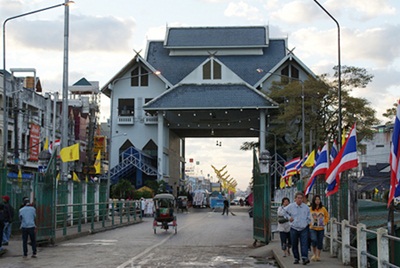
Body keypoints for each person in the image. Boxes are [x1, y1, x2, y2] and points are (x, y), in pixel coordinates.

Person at [284, 192, 311, 265]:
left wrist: (307, 222)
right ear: (295, 199)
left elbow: (309, 216)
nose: (299, 199)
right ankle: (296, 258)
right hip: (294, 227)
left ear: (303, 199)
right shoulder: (291, 206)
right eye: (298, 198)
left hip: (303, 228)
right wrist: (289, 218)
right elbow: (283, 211)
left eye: (301, 198)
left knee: (304, 243)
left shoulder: (306, 207)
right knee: (294, 243)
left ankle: (304, 257)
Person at [309, 195, 329, 262]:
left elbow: (327, 216)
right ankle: (314, 254)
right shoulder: (310, 209)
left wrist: (325, 222)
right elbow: (307, 216)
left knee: (320, 242)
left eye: (318, 199)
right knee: (314, 240)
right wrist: (309, 223)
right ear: (314, 201)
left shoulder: (323, 209)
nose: (317, 201)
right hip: (312, 228)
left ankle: (318, 255)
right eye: (316, 199)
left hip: (321, 228)